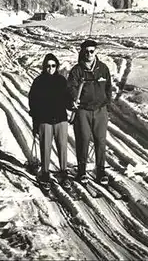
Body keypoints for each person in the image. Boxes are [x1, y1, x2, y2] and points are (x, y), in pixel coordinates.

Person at [67, 39, 112, 185]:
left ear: (96, 52)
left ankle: (101, 171)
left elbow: (108, 88)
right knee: (83, 139)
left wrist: (106, 104)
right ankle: (82, 171)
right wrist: (73, 100)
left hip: (100, 110)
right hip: (82, 111)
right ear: (82, 52)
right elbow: (70, 89)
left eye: (92, 51)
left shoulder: (103, 68)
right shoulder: (76, 71)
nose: (89, 54)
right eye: (86, 51)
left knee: (100, 140)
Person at [28, 53, 72, 189]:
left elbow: (67, 98)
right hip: (44, 120)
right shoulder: (38, 82)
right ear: (44, 67)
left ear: (57, 66)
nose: (50, 68)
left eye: (53, 66)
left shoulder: (62, 81)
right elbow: (32, 101)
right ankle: (45, 174)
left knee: (62, 147)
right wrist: (36, 118)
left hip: (60, 119)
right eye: (47, 66)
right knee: (45, 147)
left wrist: (71, 104)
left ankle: (64, 173)